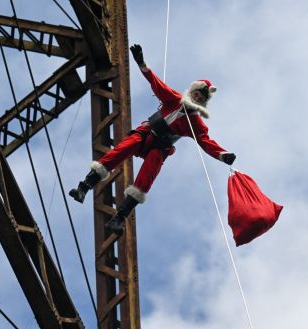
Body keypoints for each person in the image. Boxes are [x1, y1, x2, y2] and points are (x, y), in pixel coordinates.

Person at [69, 44, 236, 236]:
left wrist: (223, 155)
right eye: (196, 93)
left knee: (147, 176)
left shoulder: (195, 123)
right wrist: (141, 63)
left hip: (160, 147)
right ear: (191, 92)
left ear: (202, 102)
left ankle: (119, 218)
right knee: (122, 150)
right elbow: (156, 83)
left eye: (200, 97)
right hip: (146, 134)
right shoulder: (173, 99)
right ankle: (84, 186)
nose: (196, 97)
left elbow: (206, 142)